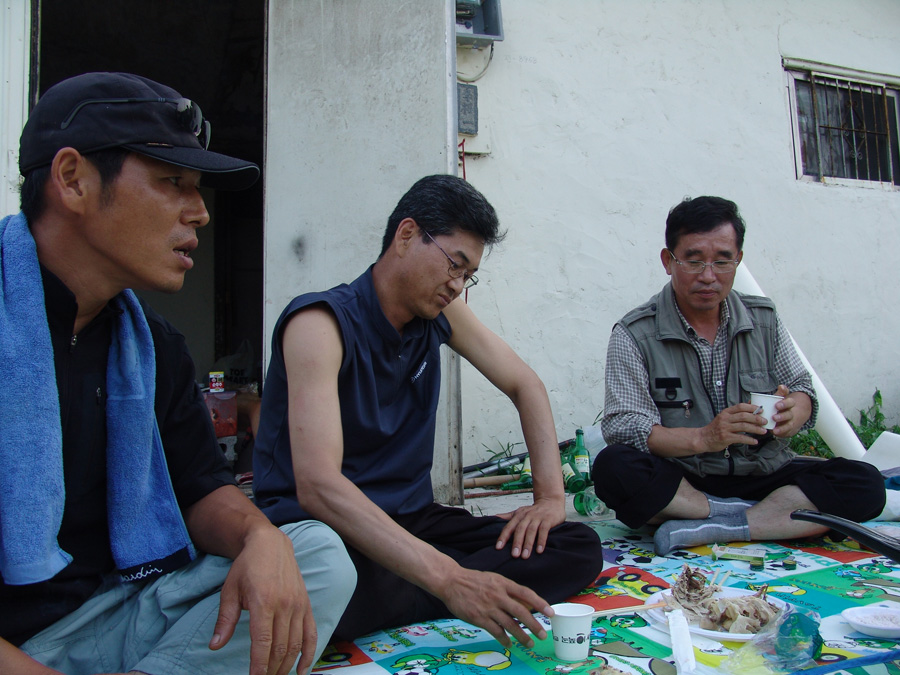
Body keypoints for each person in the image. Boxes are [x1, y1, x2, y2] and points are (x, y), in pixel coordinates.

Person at [0, 72, 355, 675]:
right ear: (73, 179)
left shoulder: (150, 345)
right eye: (173, 183)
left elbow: (199, 487)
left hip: (113, 614)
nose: (200, 213)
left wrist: (259, 537)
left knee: (316, 555)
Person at [253, 174, 604, 647]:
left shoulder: (440, 315)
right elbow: (319, 487)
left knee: (574, 545)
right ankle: (442, 587)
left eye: (468, 275)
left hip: (411, 520)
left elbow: (526, 385)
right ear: (406, 235)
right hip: (328, 532)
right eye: (454, 265)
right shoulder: (319, 324)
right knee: (328, 578)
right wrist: (449, 578)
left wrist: (549, 500)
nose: (457, 286)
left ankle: (413, 590)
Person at [591, 196, 885, 557]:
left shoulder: (763, 318)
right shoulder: (635, 332)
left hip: (764, 474)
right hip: (685, 480)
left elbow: (801, 388)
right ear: (668, 261)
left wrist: (796, 411)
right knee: (614, 467)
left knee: (866, 482)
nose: (708, 275)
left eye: (722, 261)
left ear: (738, 260)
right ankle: (759, 518)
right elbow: (625, 427)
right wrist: (704, 437)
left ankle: (724, 525)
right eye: (693, 261)